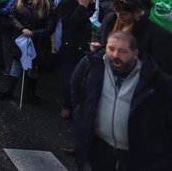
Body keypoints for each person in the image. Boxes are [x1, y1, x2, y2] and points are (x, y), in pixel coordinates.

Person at [71, 31, 172, 171]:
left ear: (135, 53)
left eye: (122, 51)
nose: (115, 55)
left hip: (134, 153)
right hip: (99, 145)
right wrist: (80, 116)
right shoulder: (93, 65)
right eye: (111, 49)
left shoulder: (154, 79)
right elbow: (76, 87)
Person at [0, 0, 57, 103]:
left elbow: (50, 27)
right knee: (16, 64)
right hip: (20, 40)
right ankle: (9, 90)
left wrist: (33, 33)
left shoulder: (47, 7)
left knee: (33, 68)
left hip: (37, 43)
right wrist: (22, 29)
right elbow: (12, 16)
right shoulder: (20, 2)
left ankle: (30, 93)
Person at [91, 0, 172, 75]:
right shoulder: (111, 18)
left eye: (124, 14)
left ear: (137, 12)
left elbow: (159, 64)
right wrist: (96, 43)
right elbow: (98, 35)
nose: (119, 17)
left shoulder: (155, 33)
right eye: (117, 12)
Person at [55, 0, 95, 120]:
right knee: (68, 78)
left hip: (86, 47)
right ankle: (66, 105)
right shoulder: (66, 6)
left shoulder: (93, 6)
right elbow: (71, 24)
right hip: (70, 48)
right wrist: (82, 7)